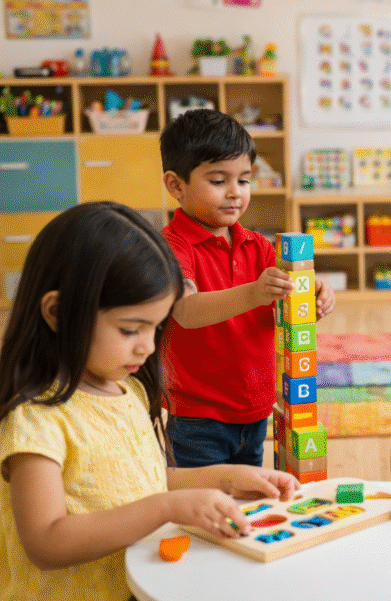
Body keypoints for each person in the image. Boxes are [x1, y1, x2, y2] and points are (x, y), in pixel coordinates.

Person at [0, 202, 300, 601]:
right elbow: (46, 542)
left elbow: (138, 482)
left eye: (156, 328)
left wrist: (225, 478)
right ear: (57, 312)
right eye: (129, 329)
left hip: (137, 587)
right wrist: (165, 508)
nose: (147, 346)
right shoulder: (36, 418)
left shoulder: (128, 390)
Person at [159, 108, 335, 468]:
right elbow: (186, 311)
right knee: (204, 508)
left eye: (243, 180)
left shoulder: (258, 245)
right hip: (198, 417)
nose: (234, 193)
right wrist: (255, 292)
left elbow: (280, 311)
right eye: (218, 180)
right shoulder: (172, 246)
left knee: (247, 506)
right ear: (176, 185)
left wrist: (309, 300)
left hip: (256, 409)